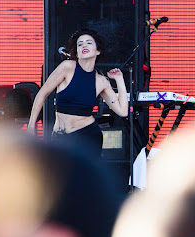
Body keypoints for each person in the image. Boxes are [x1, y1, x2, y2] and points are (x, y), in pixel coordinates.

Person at [28, 29, 128, 157]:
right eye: (80, 44)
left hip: (88, 136)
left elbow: (123, 111)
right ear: (77, 52)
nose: (84, 46)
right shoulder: (67, 67)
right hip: (61, 136)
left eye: (89, 43)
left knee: (84, 177)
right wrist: (31, 127)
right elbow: (42, 94)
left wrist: (120, 79)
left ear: (98, 51)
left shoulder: (101, 81)